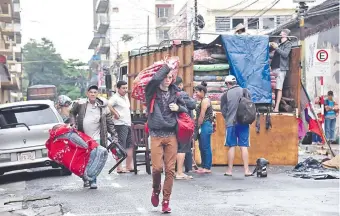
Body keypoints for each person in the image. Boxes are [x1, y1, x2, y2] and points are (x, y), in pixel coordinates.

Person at [145, 64, 188, 213]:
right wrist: (167, 67)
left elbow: (188, 108)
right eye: (165, 77)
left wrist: (179, 108)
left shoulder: (175, 93)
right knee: (157, 169)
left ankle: (166, 201)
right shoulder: (151, 92)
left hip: (171, 135)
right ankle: (156, 189)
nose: (167, 80)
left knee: (170, 170)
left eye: (170, 77)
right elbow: (154, 79)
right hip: (156, 134)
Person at [70, 85, 119, 189]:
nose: (93, 94)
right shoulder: (80, 104)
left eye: (95, 92)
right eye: (91, 92)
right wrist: (73, 123)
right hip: (83, 137)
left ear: (97, 94)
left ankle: (93, 180)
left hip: (97, 137)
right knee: (85, 159)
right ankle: (85, 178)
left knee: (94, 158)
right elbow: (72, 113)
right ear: (87, 94)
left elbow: (109, 122)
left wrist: (114, 135)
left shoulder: (103, 106)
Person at [220, 75, 253, 177]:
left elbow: (223, 111)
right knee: (244, 146)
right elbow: (250, 105)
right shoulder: (245, 91)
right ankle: (246, 170)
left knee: (232, 146)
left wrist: (229, 117)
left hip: (231, 123)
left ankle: (229, 170)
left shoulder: (225, 95)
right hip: (244, 123)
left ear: (228, 84)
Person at [108, 81, 133, 173]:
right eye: (123, 88)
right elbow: (108, 104)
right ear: (118, 88)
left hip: (127, 123)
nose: (125, 90)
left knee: (130, 145)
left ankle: (128, 166)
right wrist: (115, 113)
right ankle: (119, 167)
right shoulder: (115, 98)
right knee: (120, 145)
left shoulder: (125, 97)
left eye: (126, 88)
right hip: (120, 124)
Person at [174, 77, 196, 179]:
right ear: (180, 85)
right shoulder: (182, 94)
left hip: (172, 123)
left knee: (174, 148)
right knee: (182, 148)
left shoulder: (169, 93)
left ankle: (174, 171)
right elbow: (192, 105)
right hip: (183, 125)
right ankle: (179, 172)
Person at [270, 28, 292, 112]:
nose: (280, 33)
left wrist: (276, 48)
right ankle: (273, 105)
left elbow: (285, 54)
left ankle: (276, 107)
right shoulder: (279, 44)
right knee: (274, 88)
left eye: (282, 33)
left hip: (281, 68)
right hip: (275, 68)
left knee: (279, 88)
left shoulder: (288, 44)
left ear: (285, 35)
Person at [194, 81, 214, 174]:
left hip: (205, 124)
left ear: (202, 91)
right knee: (202, 146)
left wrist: (198, 126)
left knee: (205, 146)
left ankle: (207, 167)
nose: (196, 94)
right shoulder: (202, 100)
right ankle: (203, 165)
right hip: (203, 125)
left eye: (197, 92)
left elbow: (202, 115)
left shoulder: (205, 100)